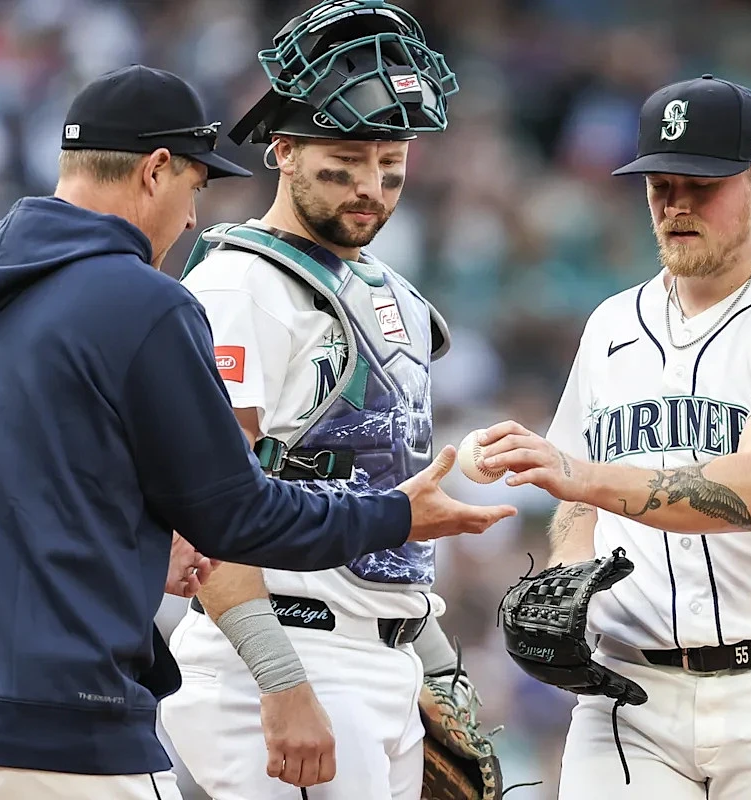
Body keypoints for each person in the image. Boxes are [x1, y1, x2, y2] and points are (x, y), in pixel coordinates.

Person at [0, 64, 515, 800]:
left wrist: (135, 540)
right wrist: (395, 515)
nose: (194, 218)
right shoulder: (145, 301)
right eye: (195, 186)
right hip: (54, 721)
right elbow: (239, 515)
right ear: (156, 170)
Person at [477, 74, 751, 799]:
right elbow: (577, 499)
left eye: (702, 185)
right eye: (661, 186)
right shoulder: (611, 324)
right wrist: (567, 574)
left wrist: (582, 479)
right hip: (629, 694)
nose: (677, 205)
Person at [155, 3, 485, 799]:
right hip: (286, 654)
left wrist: (437, 665)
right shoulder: (239, 286)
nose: (371, 185)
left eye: (390, 161)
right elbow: (206, 509)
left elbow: (384, 496)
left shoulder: (393, 293)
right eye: (344, 160)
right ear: (284, 150)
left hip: (382, 658)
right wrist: (280, 681)